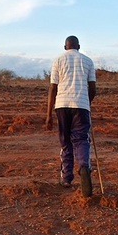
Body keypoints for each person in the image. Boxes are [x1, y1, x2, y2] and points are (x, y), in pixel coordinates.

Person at [45, 35, 96, 197]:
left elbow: (53, 88)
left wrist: (48, 115)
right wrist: (86, 103)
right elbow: (93, 88)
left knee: (65, 141)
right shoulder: (88, 61)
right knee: (81, 139)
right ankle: (83, 167)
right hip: (81, 106)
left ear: (65, 47)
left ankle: (66, 178)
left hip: (61, 105)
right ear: (79, 46)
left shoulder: (58, 60)